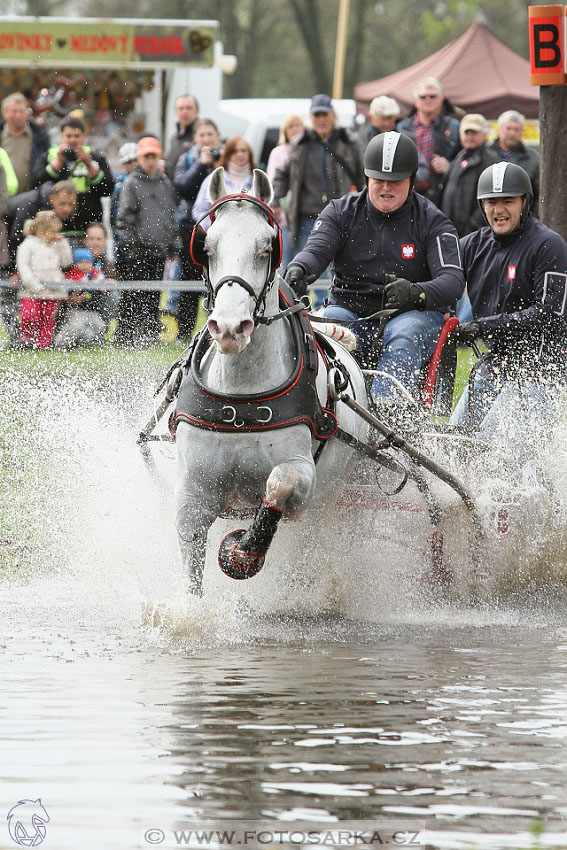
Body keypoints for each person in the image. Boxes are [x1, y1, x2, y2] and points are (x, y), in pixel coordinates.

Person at [284, 131, 464, 411]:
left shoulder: (433, 221)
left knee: (403, 334)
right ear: (367, 178)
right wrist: (298, 268)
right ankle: (325, 412)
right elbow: (316, 251)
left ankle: (386, 419)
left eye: (395, 181)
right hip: (349, 310)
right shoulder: (340, 211)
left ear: (412, 181)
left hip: (413, 314)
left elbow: (453, 281)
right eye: (378, 180)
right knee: (329, 323)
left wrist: (417, 292)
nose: (385, 188)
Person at [450, 162, 567, 437]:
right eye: (491, 202)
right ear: (482, 205)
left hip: (539, 372)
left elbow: (550, 315)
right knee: (452, 440)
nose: (498, 210)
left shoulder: (549, 245)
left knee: (494, 449)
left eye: (508, 201)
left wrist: (483, 326)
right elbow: (442, 284)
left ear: (525, 202)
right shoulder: (471, 246)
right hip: (493, 365)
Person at [272, 94, 365, 257]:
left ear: (333, 116)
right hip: (306, 220)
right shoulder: (300, 143)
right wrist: (274, 202)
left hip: (341, 218)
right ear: (311, 118)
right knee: (307, 269)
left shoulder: (349, 142)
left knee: (341, 269)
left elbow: (364, 177)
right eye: (317, 115)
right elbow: (283, 175)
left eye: (325, 115)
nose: (321, 120)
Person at [115, 136, 181, 346]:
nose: (151, 160)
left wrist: (173, 243)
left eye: (154, 156)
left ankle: (149, 335)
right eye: (146, 156)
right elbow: (125, 218)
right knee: (132, 295)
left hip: (159, 250)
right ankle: (124, 336)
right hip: (138, 250)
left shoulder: (165, 183)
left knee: (153, 295)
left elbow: (170, 216)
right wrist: (130, 247)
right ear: (139, 159)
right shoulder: (132, 183)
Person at [169, 119, 224, 338]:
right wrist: (201, 164)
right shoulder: (188, 158)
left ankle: (219, 329)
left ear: (217, 136)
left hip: (222, 226)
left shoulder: (226, 156)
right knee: (190, 281)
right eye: (202, 135)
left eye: (210, 134)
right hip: (191, 227)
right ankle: (184, 332)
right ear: (195, 139)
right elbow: (182, 188)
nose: (206, 139)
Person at [31, 115, 114, 233]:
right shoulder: (49, 156)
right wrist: (57, 164)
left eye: (77, 136)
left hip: (87, 228)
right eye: (68, 136)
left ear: (84, 136)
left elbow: (108, 189)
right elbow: (35, 183)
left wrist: (90, 165)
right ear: (61, 136)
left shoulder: (95, 158)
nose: (72, 140)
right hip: (55, 229)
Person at [397, 77, 461, 208]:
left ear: (442, 98)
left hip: (441, 197)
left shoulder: (454, 127)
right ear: (415, 101)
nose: (428, 100)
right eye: (423, 96)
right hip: (407, 194)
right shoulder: (402, 128)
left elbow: (466, 161)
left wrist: (450, 166)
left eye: (433, 96)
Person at [16, 210, 72, 348]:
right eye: (51, 232)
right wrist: (35, 285)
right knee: (30, 315)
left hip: (53, 289)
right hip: (31, 289)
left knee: (48, 318)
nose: (54, 235)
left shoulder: (56, 244)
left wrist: (63, 245)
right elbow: (23, 267)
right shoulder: (28, 245)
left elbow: (66, 262)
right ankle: (28, 341)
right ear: (42, 229)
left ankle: (44, 344)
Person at [441, 114, 499, 237]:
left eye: (474, 133)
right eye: (466, 133)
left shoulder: (491, 161)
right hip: (453, 230)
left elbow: (492, 198)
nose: (469, 137)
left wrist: (473, 225)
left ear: (483, 134)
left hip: (474, 234)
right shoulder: (459, 157)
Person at [265, 114, 304, 270]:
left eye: (298, 125)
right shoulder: (278, 152)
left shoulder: (306, 150)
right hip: (284, 214)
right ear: (285, 131)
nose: (295, 129)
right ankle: (283, 291)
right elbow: (273, 180)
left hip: (303, 212)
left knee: (304, 257)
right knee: (283, 257)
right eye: (291, 126)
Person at [192, 136, 256, 224]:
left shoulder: (257, 181)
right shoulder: (214, 179)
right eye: (234, 151)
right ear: (228, 155)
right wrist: (214, 228)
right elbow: (199, 211)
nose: (240, 154)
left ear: (249, 153)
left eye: (243, 150)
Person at [53, 247, 107, 348]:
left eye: (88, 262)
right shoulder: (72, 277)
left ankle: (96, 345)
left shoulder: (96, 275)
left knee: (100, 326)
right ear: (75, 264)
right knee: (76, 327)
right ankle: (60, 343)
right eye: (81, 262)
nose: (85, 265)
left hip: (92, 311)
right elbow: (66, 290)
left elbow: (103, 284)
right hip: (76, 310)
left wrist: (104, 286)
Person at [489, 110, 540, 211]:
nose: (512, 133)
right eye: (508, 128)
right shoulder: (485, 154)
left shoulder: (533, 159)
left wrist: (529, 218)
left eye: (516, 129)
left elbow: (538, 195)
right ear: (499, 130)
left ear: (522, 132)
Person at [0, 92, 49, 196]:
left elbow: (45, 166)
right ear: (4, 113)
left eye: (21, 111)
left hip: (30, 196)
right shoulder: (1, 134)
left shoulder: (39, 136)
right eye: (14, 111)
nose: (18, 115)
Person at [164, 93, 200, 181]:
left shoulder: (202, 136)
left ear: (197, 111)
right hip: (174, 190)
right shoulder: (174, 138)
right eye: (180, 108)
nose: (184, 112)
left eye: (189, 108)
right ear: (176, 112)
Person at [109, 141, 138, 232]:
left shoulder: (151, 179)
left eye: (136, 160)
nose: (134, 164)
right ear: (123, 164)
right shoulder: (119, 183)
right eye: (129, 162)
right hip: (126, 229)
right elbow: (115, 211)